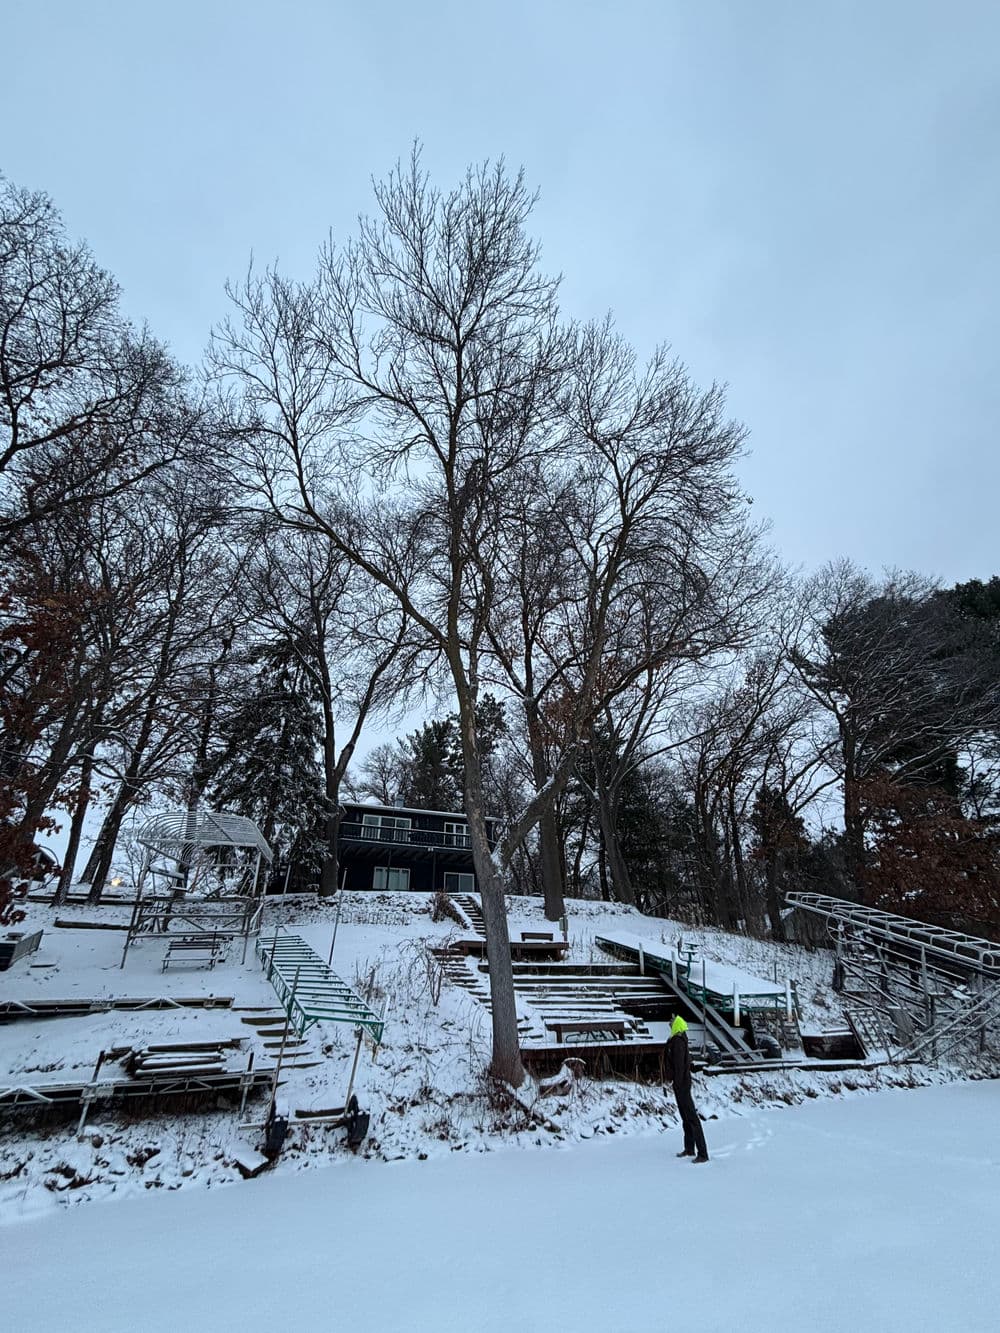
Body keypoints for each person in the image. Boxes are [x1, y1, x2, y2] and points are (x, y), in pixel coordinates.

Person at [666, 1014, 708, 1163]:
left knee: (691, 1117)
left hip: (682, 1084)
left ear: (676, 1024)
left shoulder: (678, 1042)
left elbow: (679, 1066)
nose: (669, 1024)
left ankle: (702, 1153)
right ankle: (690, 1148)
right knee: (685, 1117)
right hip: (681, 1084)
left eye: (671, 1022)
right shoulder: (678, 1040)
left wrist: (677, 1084)